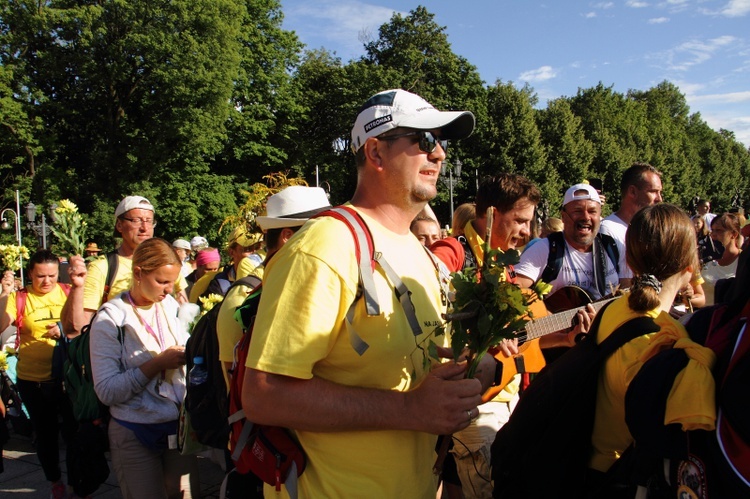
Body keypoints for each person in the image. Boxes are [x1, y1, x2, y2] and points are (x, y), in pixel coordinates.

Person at [241, 88, 492, 497]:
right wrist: (411, 410)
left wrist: (467, 373)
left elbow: (412, 372)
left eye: (441, 141)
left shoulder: (417, 251)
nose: (440, 154)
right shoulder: (325, 245)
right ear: (375, 152)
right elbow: (264, 394)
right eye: (425, 140)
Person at [587, 204, 715, 491]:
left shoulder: (615, 308)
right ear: (690, 266)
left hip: (591, 466)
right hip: (622, 479)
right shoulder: (665, 339)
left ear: (630, 261)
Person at [89, 238, 198, 498]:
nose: (169, 290)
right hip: (134, 431)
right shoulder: (111, 319)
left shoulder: (169, 305)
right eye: (162, 281)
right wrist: (156, 364)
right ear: (138, 273)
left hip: (177, 427)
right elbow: (106, 391)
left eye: (172, 282)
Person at [0, 250, 75, 499]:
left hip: (67, 378)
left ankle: (77, 482)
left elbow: (83, 323)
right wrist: (4, 293)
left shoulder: (67, 291)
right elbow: (1, 324)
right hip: (34, 380)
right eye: (40, 276)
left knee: (74, 434)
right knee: (46, 435)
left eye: (52, 275)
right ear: (30, 273)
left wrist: (63, 328)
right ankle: (55, 481)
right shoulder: (19, 298)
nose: (47, 281)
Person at [61, 195, 188, 336]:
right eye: (136, 220)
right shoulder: (103, 267)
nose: (144, 228)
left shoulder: (166, 264)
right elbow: (76, 329)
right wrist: (77, 287)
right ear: (119, 225)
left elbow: (183, 312)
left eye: (149, 221)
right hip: (115, 353)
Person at [516, 183, 631, 300]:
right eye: (578, 211)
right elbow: (513, 292)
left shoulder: (611, 246)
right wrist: (547, 314)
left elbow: (626, 291)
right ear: (563, 216)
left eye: (592, 211)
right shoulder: (546, 248)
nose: (586, 217)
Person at [599, 162, 663, 248]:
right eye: (653, 191)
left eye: (660, 192)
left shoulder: (650, 232)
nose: (659, 199)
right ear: (632, 192)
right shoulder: (608, 231)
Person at [703, 212, 743, 305]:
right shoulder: (705, 258)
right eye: (712, 230)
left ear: (734, 234)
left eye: (719, 230)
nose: (713, 235)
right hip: (702, 315)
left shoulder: (744, 261)